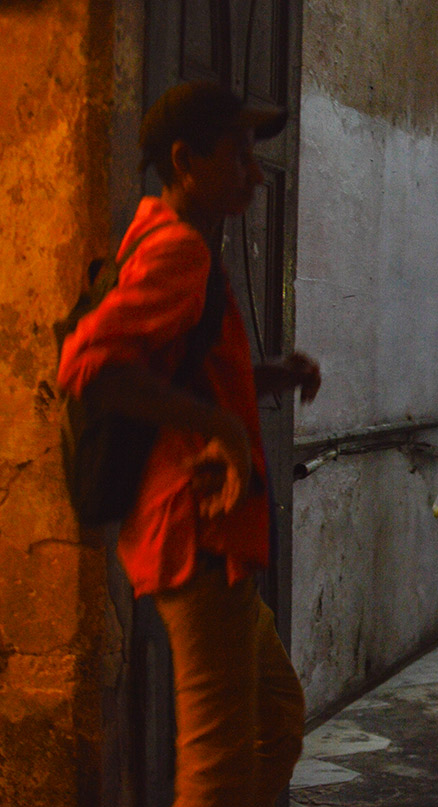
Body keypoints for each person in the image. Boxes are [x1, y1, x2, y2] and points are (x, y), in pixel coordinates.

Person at [57, 81, 321, 807]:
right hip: (195, 533)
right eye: (238, 156)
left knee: (276, 714)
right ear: (184, 159)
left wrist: (266, 376)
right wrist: (224, 428)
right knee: (219, 766)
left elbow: (177, 361)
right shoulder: (178, 248)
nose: (256, 175)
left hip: (215, 539)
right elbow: (89, 366)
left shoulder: (176, 239)